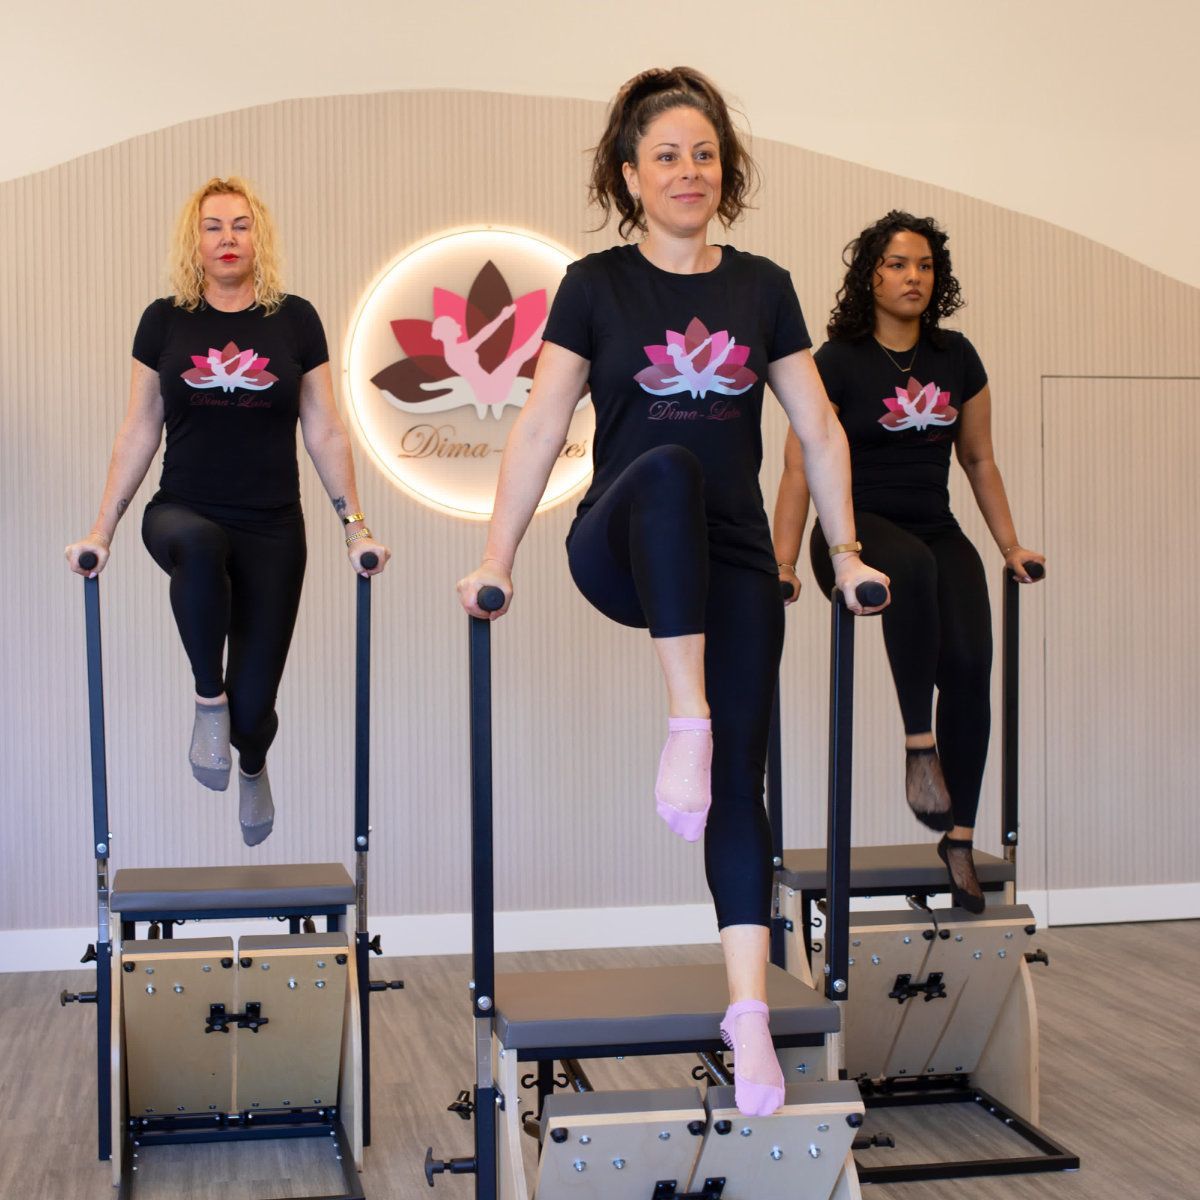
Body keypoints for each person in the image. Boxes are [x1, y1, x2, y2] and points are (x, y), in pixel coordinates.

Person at [457, 68, 888, 1117]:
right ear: (629, 174)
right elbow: (542, 427)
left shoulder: (763, 287)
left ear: (725, 171)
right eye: (667, 156)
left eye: (704, 154)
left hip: (732, 557)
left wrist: (846, 550)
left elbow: (816, 428)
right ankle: (682, 712)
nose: (688, 172)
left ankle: (747, 1014)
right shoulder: (597, 286)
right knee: (668, 469)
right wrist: (497, 556)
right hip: (623, 543)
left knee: (743, 787)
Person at [66, 177, 389, 845]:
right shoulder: (166, 320)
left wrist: (355, 528)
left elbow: (324, 428)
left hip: (273, 527)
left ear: (258, 237)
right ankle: (205, 699)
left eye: (240, 225)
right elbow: (138, 428)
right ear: (195, 241)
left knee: (255, 708)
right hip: (181, 508)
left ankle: (248, 754)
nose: (228, 238)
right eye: (213, 226)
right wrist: (103, 528)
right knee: (200, 546)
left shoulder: (294, 319)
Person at [772, 210, 1044, 912]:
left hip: (934, 524)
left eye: (924, 265)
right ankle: (917, 742)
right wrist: (783, 561)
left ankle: (958, 836)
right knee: (913, 570)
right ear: (871, 275)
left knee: (971, 666)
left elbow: (978, 458)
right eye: (897, 264)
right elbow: (799, 466)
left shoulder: (959, 358)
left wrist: (1010, 545)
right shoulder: (836, 361)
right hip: (851, 536)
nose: (913, 276)